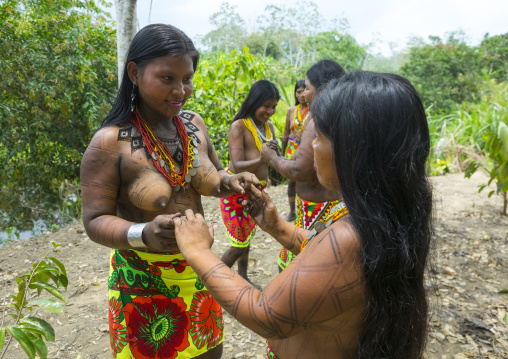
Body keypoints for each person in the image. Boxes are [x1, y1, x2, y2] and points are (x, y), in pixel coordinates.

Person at [173, 71, 433, 359]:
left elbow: (264, 314)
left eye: (319, 137)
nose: (310, 146)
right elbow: (324, 252)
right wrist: (278, 227)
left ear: (354, 151)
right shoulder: (383, 215)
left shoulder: (350, 238)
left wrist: (197, 250)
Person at [80, 24, 258, 359]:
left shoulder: (195, 125)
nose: (181, 90)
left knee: (209, 353)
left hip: (200, 268)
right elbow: (94, 221)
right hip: (141, 281)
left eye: (187, 78)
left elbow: (214, 174)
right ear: (134, 72)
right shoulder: (109, 143)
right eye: (167, 78)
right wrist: (143, 233)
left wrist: (231, 181)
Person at [263, 60, 346, 271]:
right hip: (335, 205)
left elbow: (300, 170)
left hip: (316, 209)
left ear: (322, 88)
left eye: (307, 88)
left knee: (296, 265)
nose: (305, 95)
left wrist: (271, 157)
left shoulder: (317, 121)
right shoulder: (344, 116)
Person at [219, 80, 280, 287]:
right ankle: (211, 282)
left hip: (256, 191)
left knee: (246, 238)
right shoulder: (239, 126)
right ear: (254, 102)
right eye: (266, 106)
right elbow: (237, 165)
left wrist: (275, 156)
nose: (270, 111)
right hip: (237, 191)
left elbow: (269, 156)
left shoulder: (269, 127)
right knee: (238, 243)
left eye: (274, 107)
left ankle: (242, 277)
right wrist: (265, 158)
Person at [280, 79, 309, 222]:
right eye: (299, 91)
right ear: (295, 94)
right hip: (291, 148)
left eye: (304, 90)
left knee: (305, 179)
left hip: (305, 148)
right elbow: (285, 133)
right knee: (291, 180)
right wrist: (281, 154)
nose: (302, 94)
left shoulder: (313, 110)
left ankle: (304, 210)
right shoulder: (291, 111)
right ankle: (292, 211)